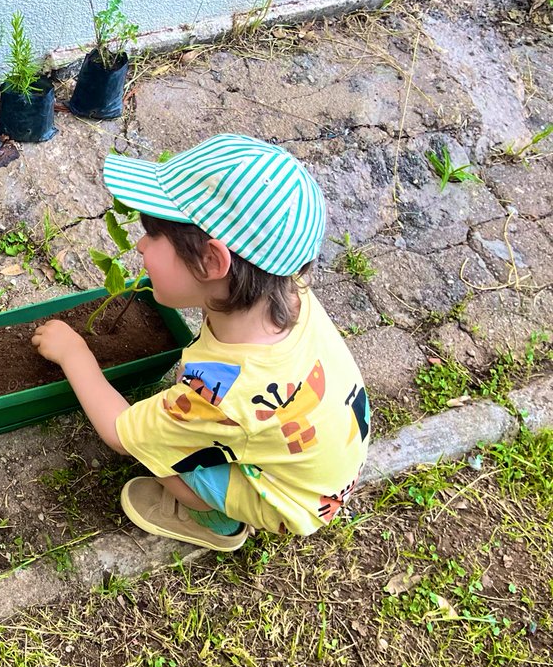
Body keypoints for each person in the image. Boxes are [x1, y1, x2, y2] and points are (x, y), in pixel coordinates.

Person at [31, 134, 370, 551]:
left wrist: (73, 352)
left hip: (292, 501)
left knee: (167, 455)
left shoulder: (223, 394)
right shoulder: (289, 292)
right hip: (327, 460)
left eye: (153, 236)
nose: (140, 244)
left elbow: (120, 435)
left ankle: (215, 523)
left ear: (212, 261)